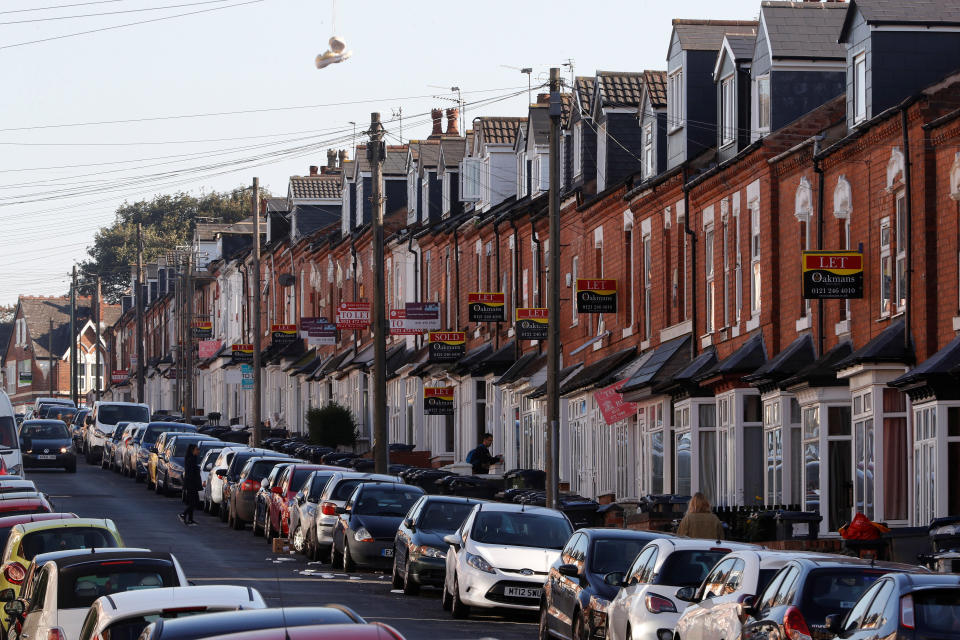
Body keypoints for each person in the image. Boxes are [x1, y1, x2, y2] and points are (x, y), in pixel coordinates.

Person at [178, 444, 201, 526]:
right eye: (196, 449)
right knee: (194, 502)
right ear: (192, 450)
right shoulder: (191, 459)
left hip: (192, 484)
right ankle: (183, 514)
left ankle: (190, 519)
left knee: (193, 501)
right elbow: (190, 473)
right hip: (191, 484)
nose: (198, 451)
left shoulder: (193, 458)